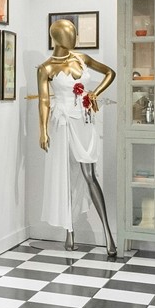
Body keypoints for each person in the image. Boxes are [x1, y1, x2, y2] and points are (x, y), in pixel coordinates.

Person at [34, 17, 120, 252]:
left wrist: (94, 93)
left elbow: (110, 73)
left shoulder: (81, 58)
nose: (74, 37)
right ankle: (69, 231)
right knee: (65, 176)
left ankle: (107, 235)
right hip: (62, 123)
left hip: (84, 121)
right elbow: (43, 101)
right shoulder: (46, 68)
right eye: (69, 33)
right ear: (57, 37)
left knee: (89, 173)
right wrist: (42, 130)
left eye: (74, 32)